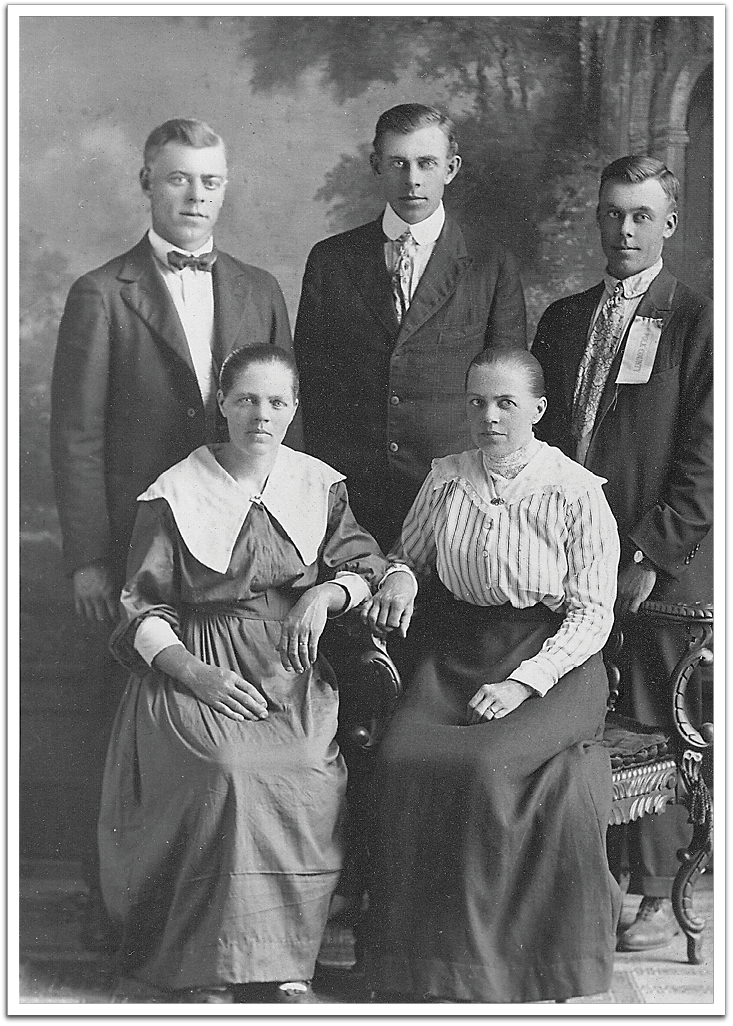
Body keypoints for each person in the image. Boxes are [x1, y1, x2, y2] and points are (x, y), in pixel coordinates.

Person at [49, 118, 293, 943]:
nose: (196, 196)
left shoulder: (260, 287)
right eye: (179, 179)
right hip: (133, 544)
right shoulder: (101, 290)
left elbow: (281, 419)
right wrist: (87, 558)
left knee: (226, 720)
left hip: (230, 550)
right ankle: (115, 901)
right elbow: (76, 434)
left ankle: (216, 902)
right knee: (124, 714)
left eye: (211, 181)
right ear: (146, 183)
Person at [99, 345, 387, 1003]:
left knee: (307, 774)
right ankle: (208, 965)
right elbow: (140, 606)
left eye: (276, 401)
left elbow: (364, 563)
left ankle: (287, 964)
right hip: (195, 666)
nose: (261, 414)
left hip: (288, 671)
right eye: (246, 399)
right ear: (222, 405)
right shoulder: (176, 490)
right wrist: (194, 674)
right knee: (227, 771)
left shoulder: (318, 483)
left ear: (292, 409)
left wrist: (321, 595)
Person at [357, 348, 622, 1003]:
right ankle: (413, 964)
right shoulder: (446, 477)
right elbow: (406, 558)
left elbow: (592, 615)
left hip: (553, 662)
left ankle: (489, 967)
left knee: (483, 768)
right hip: (458, 654)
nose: (489, 416)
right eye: (476, 401)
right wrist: (393, 576)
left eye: (505, 402)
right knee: (399, 760)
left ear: (536, 408)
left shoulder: (573, 490)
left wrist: (522, 683)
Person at [532, 155, 713, 952]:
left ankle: (646, 893)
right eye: (612, 214)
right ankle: (579, 878)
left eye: (641, 215)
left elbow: (708, 463)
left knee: (648, 716)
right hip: (570, 554)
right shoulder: (564, 318)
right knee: (571, 714)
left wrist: (644, 556)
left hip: (654, 565)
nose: (625, 229)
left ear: (668, 224)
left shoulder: (698, 320)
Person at [294, 103, 526, 551]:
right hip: (353, 500)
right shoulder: (331, 259)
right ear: (376, 165)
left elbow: (507, 391)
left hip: (456, 496)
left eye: (426, 163)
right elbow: (313, 385)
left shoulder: (490, 264)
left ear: (451, 169)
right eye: (398, 162)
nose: (412, 179)